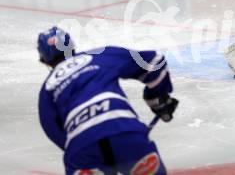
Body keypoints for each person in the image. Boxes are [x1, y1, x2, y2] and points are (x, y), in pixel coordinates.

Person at [37, 26, 178, 175]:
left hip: (82, 149)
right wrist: (157, 99)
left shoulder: (47, 90)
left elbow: (54, 130)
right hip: (125, 131)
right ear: (71, 46)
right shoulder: (101, 56)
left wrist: (84, 147)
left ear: (44, 60)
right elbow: (155, 61)